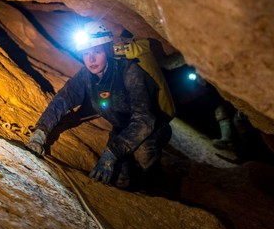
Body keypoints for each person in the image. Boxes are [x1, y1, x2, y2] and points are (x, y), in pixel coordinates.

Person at [26, 21, 173, 191]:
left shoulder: (130, 72)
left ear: (108, 51)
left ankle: (156, 186)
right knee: (119, 180)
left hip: (154, 127)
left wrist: (112, 152)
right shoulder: (85, 76)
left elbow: (145, 120)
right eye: (86, 53)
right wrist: (40, 132)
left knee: (143, 152)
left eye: (97, 51)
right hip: (122, 128)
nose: (91, 59)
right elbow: (62, 101)